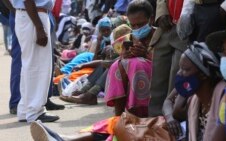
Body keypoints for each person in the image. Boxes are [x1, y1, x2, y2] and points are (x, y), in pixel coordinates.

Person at [29, 1, 161, 141]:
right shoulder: (130, 37)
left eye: (140, 25)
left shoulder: (160, 36)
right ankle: (117, 116)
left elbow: (166, 64)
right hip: (132, 77)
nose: (136, 28)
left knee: (132, 64)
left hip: (153, 80)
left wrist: (145, 54)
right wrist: (124, 55)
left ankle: (65, 138)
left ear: (151, 19)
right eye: (133, 25)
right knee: (118, 64)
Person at [162, 42, 225, 141]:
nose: (179, 74)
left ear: (204, 74)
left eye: (185, 69)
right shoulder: (194, 100)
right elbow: (168, 101)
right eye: (180, 68)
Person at [13, 0, 59, 122]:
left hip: (28, 15)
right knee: (39, 67)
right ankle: (35, 111)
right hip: (34, 16)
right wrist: (39, 27)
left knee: (30, 66)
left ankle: (25, 109)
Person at [148, 0, 188, 117]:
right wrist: (161, 12)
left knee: (177, 74)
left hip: (188, 25)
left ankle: (172, 121)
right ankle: (156, 119)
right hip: (166, 25)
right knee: (158, 77)